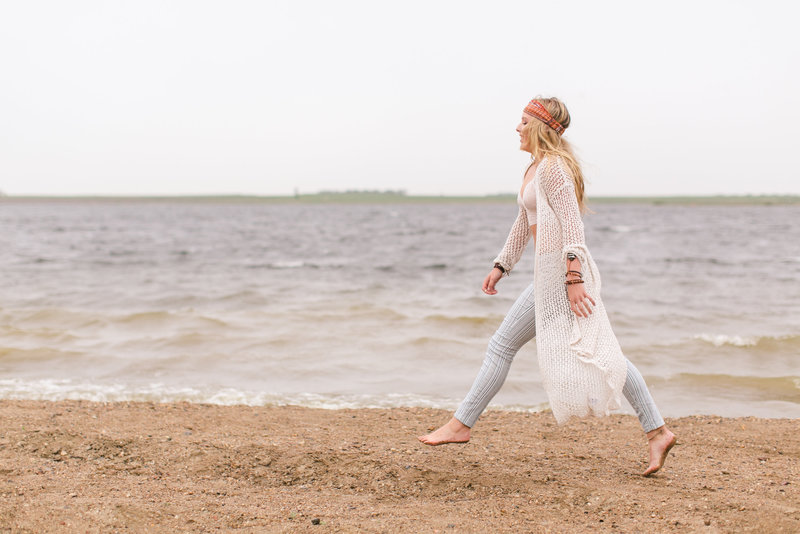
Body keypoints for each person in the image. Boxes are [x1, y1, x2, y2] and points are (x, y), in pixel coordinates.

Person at [418, 97, 676, 476]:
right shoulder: (535, 168)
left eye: (523, 122)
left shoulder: (554, 168)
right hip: (549, 274)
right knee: (601, 350)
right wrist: (502, 264)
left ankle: (461, 425)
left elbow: (573, 226)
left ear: (540, 125)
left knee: (502, 346)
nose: (517, 128)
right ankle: (658, 431)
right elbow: (523, 223)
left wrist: (573, 278)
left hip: (561, 275)